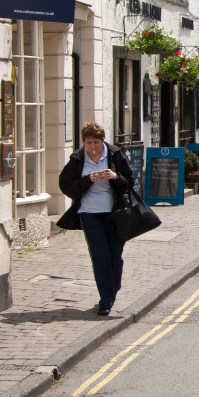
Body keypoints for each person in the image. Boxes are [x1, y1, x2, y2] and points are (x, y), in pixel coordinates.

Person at [58, 122, 134, 317]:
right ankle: (105, 300)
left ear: (103, 140)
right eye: (88, 142)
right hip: (88, 213)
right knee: (100, 256)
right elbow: (65, 185)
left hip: (114, 213)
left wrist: (114, 176)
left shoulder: (114, 154)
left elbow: (130, 182)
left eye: (96, 142)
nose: (92, 147)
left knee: (114, 256)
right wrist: (88, 179)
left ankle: (112, 289)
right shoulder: (77, 159)